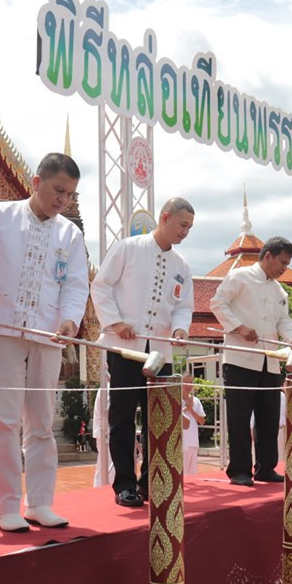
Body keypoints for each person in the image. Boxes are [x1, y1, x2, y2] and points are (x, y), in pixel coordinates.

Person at [0, 153, 89, 532]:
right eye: (58, 190)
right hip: (1, 331)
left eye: (70, 194)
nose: (63, 200)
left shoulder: (71, 234)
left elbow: (76, 284)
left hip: (48, 336)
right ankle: (8, 506)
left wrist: (69, 320)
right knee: (3, 422)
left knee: (43, 423)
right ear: (36, 182)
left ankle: (41, 502)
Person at [91, 198, 195, 506]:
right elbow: (101, 286)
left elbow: (184, 306)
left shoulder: (182, 265)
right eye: (182, 225)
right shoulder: (128, 248)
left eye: (190, 227)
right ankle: (124, 484)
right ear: (165, 218)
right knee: (122, 417)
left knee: (159, 418)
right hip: (125, 348)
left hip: (160, 352)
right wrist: (116, 321)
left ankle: (152, 480)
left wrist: (180, 329)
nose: (185, 232)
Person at [210, 237, 292, 486]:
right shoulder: (239, 276)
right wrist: (239, 327)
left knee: (269, 417)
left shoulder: (279, 290)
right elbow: (217, 303)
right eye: (282, 262)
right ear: (268, 256)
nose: (284, 268)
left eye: (287, 264)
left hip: (270, 360)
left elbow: (283, 321)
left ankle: (266, 467)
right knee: (240, 417)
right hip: (240, 359)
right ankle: (239, 470)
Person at [181, 373, 206, 476]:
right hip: (181, 442)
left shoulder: (196, 401)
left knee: (192, 475)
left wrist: (191, 410)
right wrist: (186, 408)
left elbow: (202, 421)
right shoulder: (176, 400)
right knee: (182, 473)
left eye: (190, 382)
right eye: (185, 382)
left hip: (193, 441)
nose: (188, 385)